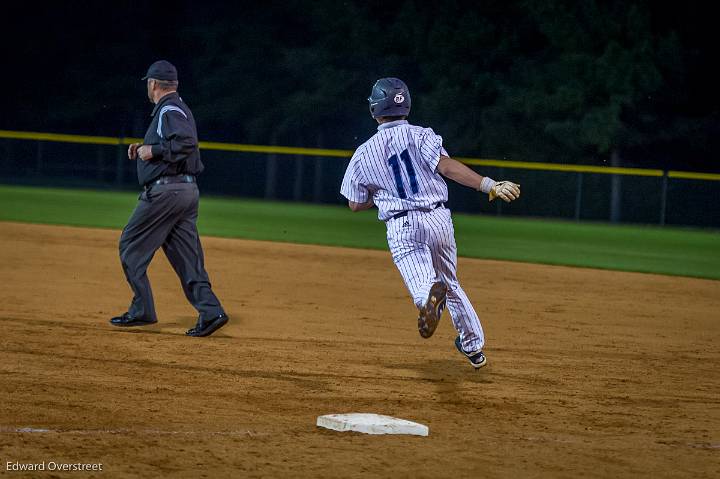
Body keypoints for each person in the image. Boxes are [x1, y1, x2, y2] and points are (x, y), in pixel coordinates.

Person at [340, 78, 521, 368]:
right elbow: (447, 167)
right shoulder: (423, 135)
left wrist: (387, 195)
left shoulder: (364, 153)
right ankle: (473, 346)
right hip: (439, 218)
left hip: (403, 225)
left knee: (425, 285)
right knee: (451, 283)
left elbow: (355, 203)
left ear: (374, 110)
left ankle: (429, 298)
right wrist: (489, 185)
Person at [110, 60, 228, 337]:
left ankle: (142, 310)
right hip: (184, 193)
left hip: (166, 193)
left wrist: (155, 151)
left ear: (153, 84)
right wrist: (145, 149)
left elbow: (185, 143)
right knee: (187, 258)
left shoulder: (169, 108)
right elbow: (175, 144)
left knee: (130, 246)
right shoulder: (176, 108)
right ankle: (211, 312)